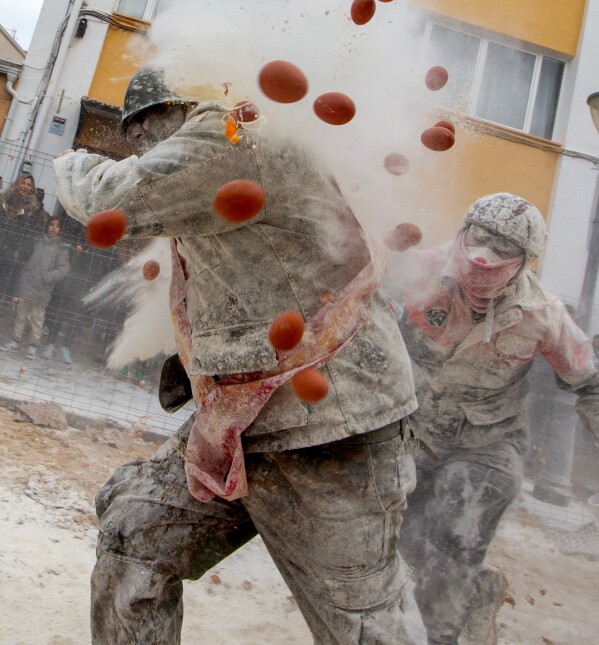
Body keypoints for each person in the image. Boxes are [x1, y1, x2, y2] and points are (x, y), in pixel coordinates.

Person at [53, 66, 426, 644]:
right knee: (136, 533)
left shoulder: (231, 135)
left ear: (187, 107)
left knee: (363, 623)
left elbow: (109, 199)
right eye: (132, 134)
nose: (141, 145)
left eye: (149, 126)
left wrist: (68, 160)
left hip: (331, 425)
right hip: (252, 418)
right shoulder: (226, 152)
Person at [382, 193, 599, 645]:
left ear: (523, 263)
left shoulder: (543, 314)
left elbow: (588, 381)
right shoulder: (416, 269)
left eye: (501, 253)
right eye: (477, 242)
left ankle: (435, 637)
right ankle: (476, 593)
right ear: (461, 235)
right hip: (414, 430)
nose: (483, 259)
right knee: (405, 541)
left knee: (457, 532)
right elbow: (351, 299)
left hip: (488, 443)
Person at [3, 216, 71, 358]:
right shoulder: (37, 242)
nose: (53, 228)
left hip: (43, 289)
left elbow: (63, 269)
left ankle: (33, 345)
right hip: (27, 284)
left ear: (61, 230)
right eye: (51, 225)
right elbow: (26, 259)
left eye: (57, 226)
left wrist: (49, 276)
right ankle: (16, 340)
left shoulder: (61, 248)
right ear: (47, 226)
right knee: (21, 315)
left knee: (37, 318)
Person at [0, 174, 44, 302]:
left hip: (13, 255)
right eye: (23, 183)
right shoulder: (3, 200)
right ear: (17, 183)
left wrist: (20, 251)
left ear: (32, 188)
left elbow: (32, 236)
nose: (25, 186)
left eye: (28, 185)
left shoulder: (35, 211)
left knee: (5, 288)